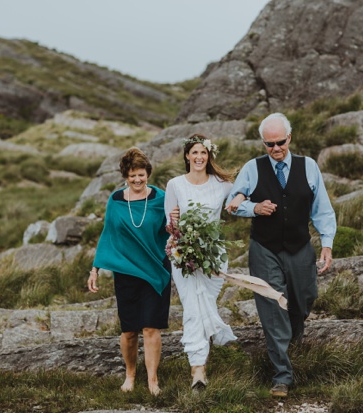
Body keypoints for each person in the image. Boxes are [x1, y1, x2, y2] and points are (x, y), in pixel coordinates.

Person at [225, 112, 337, 398]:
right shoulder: (252, 168)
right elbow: (233, 202)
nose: (275, 149)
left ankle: (294, 343)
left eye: (280, 142)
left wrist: (327, 244)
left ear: (290, 137)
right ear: (263, 143)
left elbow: (322, 209)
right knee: (273, 306)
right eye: (269, 144)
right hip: (265, 249)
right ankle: (282, 376)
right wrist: (254, 208)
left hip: (300, 247)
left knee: (304, 298)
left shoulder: (308, 166)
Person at [87, 147, 171, 397]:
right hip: (126, 273)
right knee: (129, 330)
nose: (137, 180)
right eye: (132, 176)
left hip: (156, 269)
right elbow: (108, 235)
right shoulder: (115, 200)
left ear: (148, 174)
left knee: (151, 327)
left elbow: (172, 229)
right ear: (125, 175)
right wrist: (95, 269)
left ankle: (153, 381)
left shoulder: (160, 198)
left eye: (141, 175)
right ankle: (130, 374)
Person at [164, 134, 239, 390]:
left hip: (213, 255)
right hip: (183, 254)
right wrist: (173, 224)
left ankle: (203, 355)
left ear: (209, 155)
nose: (199, 158)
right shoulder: (175, 184)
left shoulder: (223, 185)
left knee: (205, 302)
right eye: (194, 153)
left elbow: (243, 194)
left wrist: (241, 200)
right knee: (193, 308)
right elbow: (170, 224)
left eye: (203, 153)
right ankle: (198, 370)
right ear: (187, 156)